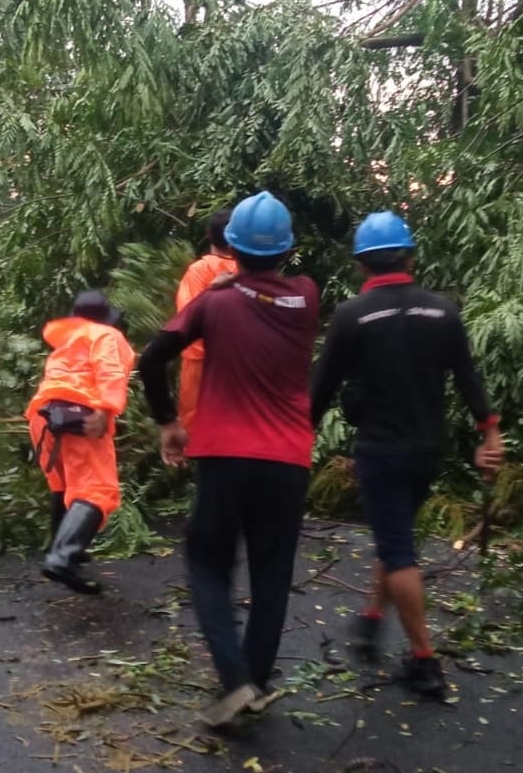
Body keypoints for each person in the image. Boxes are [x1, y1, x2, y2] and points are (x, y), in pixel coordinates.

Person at [139, 191, 319, 729]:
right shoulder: (307, 295)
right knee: (272, 573)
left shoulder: (214, 304)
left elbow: (152, 360)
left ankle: (235, 679)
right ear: (286, 251)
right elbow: (268, 293)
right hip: (287, 458)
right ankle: (256, 683)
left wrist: (168, 422)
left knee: (207, 563)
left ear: (230, 250)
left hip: (223, 454)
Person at [309, 211, 505, 698]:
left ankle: (425, 661)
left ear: (361, 264)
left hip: (381, 450)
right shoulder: (442, 311)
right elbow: (469, 378)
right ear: (410, 258)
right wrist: (490, 434)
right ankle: (373, 616)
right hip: (426, 449)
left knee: (397, 548)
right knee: (394, 532)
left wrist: (296, 440)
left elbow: (319, 392)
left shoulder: (351, 316)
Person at [27, 289, 137, 595]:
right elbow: (110, 371)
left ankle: (62, 547)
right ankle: (62, 558)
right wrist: (105, 409)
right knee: (98, 489)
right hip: (81, 417)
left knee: (63, 484)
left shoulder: (68, 341)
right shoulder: (106, 335)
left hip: (44, 417)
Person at [173, 208, 238, 433]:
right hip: (239, 361)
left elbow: (187, 315)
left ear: (209, 234)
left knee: (196, 427)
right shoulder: (249, 270)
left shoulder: (199, 271)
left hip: (199, 362)